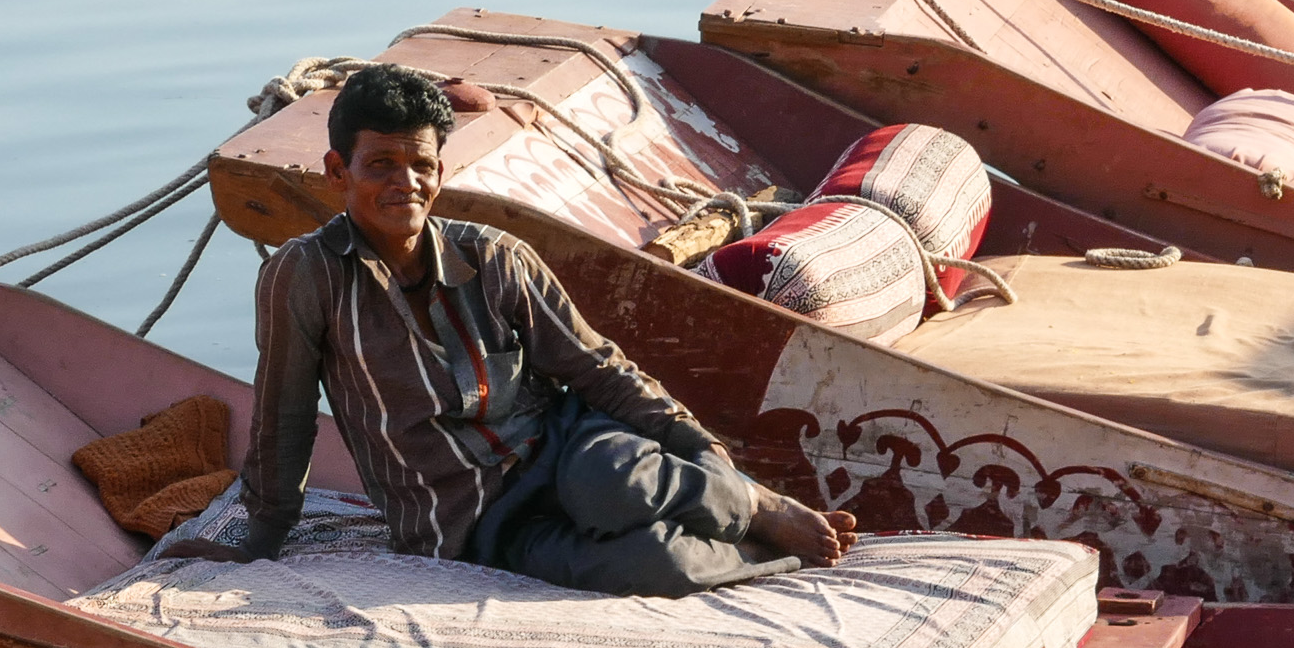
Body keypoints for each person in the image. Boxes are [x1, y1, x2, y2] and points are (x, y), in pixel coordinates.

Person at [162, 62, 853, 592]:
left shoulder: (494, 257)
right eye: (380, 166)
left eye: (420, 165)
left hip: (563, 448)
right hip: (470, 517)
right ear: (338, 171)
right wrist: (261, 534)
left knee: (622, 484)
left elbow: (598, 370)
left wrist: (706, 453)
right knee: (656, 564)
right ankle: (764, 545)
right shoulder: (304, 274)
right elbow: (285, 414)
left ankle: (751, 502)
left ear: (441, 171)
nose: (403, 183)